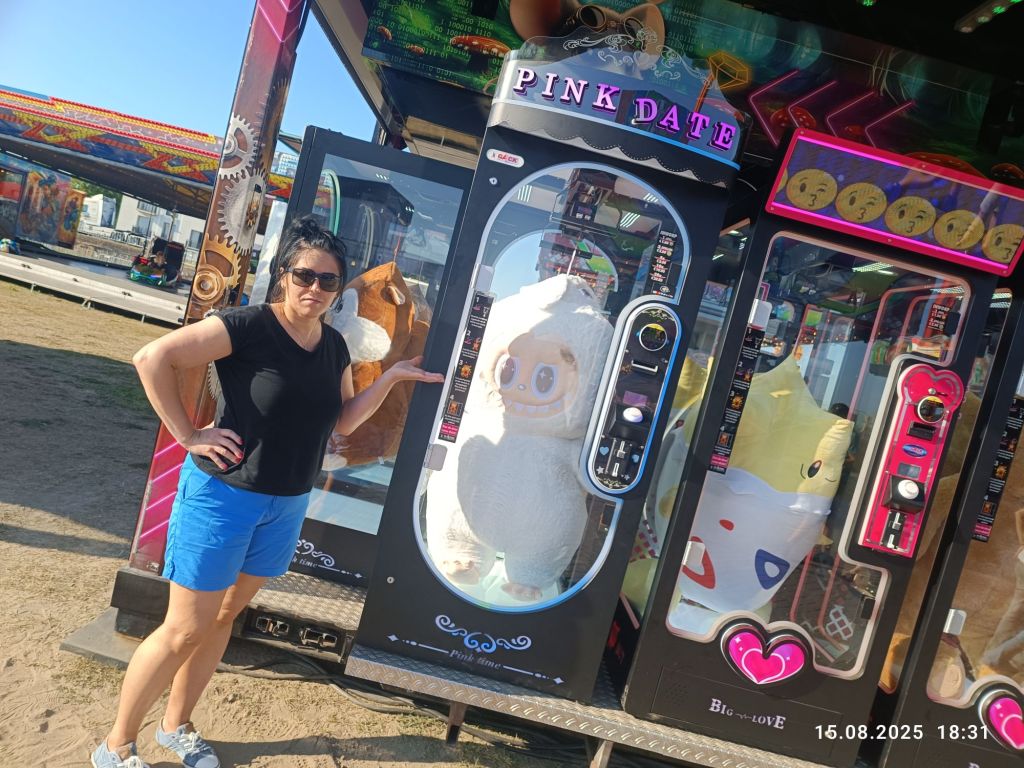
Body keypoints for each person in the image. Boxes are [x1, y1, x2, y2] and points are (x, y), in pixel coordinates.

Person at [92, 216, 444, 768]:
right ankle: (115, 746)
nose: (315, 288)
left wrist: (391, 377)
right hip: (223, 497)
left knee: (223, 618)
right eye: (305, 275)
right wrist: (189, 435)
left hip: (286, 503)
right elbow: (152, 358)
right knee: (183, 628)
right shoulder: (249, 326)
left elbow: (344, 421)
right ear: (284, 275)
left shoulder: (333, 346)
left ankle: (176, 726)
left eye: (328, 280)